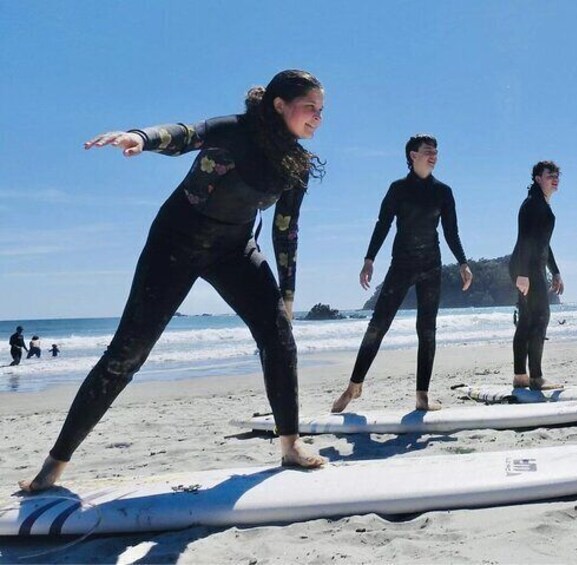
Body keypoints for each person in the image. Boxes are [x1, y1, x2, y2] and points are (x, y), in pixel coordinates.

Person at [20, 69, 327, 493]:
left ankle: (290, 444)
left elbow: (286, 230)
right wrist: (140, 138)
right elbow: (184, 134)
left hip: (233, 250)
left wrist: (288, 294)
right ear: (279, 105)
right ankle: (54, 464)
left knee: (279, 337)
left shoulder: (295, 163)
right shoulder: (233, 130)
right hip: (176, 242)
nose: (317, 117)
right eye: (310, 107)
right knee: (126, 355)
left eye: (321, 110)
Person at [331, 134, 473, 413]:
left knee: (427, 330)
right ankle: (353, 386)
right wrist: (369, 258)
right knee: (378, 325)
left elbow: (450, 232)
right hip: (402, 264)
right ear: (412, 155)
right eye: (428, 151)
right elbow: (383, 223)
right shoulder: (398, 189)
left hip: (431, 264)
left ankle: (422, 396)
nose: (434, 155)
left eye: (436, 151)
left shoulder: (443, 192)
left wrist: (463, 262)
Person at [510, 161, 563, 390]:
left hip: (532, 267)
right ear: (537, 178)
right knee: (540, 318)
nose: (555, 178)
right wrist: (523, 274)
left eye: (557, 175)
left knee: (528, 320)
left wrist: (556, 271)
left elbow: (544, 244)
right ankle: (535, 377)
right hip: (527, 268)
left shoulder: (541, 203)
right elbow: (525, 239)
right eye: (549, 174)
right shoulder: (533, 204)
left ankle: (521, 377)